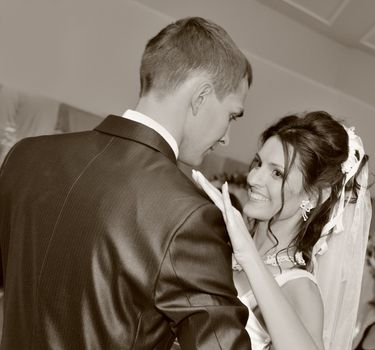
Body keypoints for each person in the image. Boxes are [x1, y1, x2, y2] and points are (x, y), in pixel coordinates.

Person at [0, 17, 253, 349]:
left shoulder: (25, 157)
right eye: (232, 115)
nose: (226, 137)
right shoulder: (190, 215)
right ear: (201, 96)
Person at [193, 111, 372, 350]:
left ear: (314, 195)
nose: (254, 178)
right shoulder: (223, 244)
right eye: (258, 163)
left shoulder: (299, 287)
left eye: (277, 173)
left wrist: (248, 254)